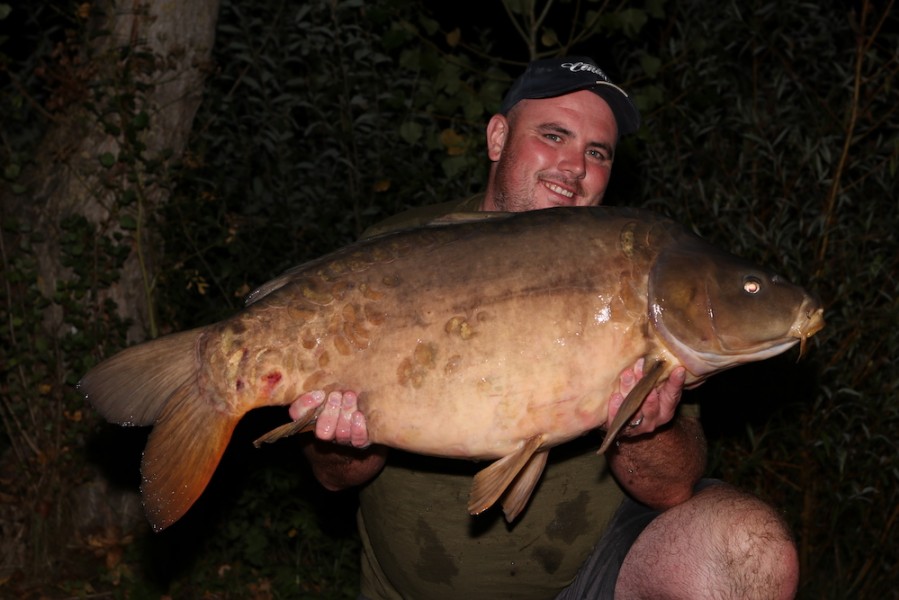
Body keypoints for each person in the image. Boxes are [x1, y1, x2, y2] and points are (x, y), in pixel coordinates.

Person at [294, 57, 799, 599]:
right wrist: (346, 437)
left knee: (752, 551)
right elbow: (332, 476)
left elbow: (671, 486)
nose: (574, 166)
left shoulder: (640, 273)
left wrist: (643, 424)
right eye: (553, 135)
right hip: (415, 587)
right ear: (497, 136)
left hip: (585, 577)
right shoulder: (399, 252)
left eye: (597, 153)